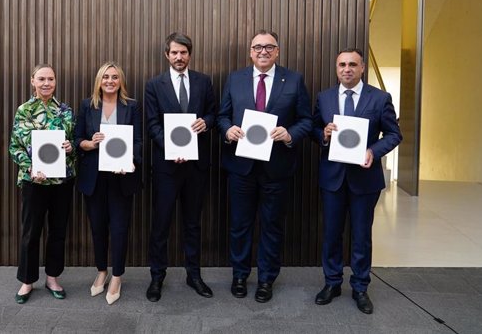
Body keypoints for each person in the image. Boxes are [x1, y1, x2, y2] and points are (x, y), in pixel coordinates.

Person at [217, 30, 312, 303]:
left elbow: (306, 119)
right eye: (257, 47)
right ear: (250, 51)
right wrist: (228, 130)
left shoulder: (293, 80)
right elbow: (223, 116)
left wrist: (290, 133)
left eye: (269, 47)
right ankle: (239, 274)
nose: (263, 52)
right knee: (240, 224)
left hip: (277, 168)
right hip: (241, 167)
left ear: (277, 51)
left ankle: (267, 279)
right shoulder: (235, 79)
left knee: (272, 225)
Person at [311, 48, 401, 314]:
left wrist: (373, 151)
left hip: (365, 179)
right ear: (336, 68)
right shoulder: (324, 97)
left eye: (352, 64)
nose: (347, 69)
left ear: (362, 68)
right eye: (342, 65)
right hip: (333, 178)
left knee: (361, 236)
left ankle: (361, 287)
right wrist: (324, 134)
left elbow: (394, 134)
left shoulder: (380, 98)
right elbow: (315, 128)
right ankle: (332, 282)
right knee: (331, 234)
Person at [144, 32, 217, 302]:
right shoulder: (154, 84)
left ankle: (194, 275)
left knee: (193, 224)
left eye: (183, 52)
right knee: (161, 224)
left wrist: (206, 123)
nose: (179, 57)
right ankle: (156, 277)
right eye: (174, 52)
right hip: (166, 167)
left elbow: (213, 112)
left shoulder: (203, 82)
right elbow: (152, 124)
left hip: (196, 167)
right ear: (167, 55)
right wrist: (171, 148)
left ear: (190, 54)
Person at [74, 61, 143, 305]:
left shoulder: (131, 106)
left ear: (120, 80)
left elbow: (137, 140)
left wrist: (132, 160)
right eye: (106, 77)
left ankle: (117, 275)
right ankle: (101, 270)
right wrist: (91, 143)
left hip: (121, 175)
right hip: (94, 176)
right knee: (98, 227)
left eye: (114, 77)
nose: (110, 81)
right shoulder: (87, 105)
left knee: (120, 228)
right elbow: (77, 140)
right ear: (99, 81)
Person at [9, 64, 76, 304]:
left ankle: (52, 278)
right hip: (33, 181)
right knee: (31, 232)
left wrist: (71, 147)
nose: (46, 83)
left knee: (58, 232)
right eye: (41, 79)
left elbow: (74, 146)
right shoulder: (24, 110)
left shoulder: (66, 111)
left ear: (55, 81)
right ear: (32, 81)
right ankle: (27, 281)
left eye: (50, 79)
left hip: (61, 182)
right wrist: (29, 167)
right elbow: (14, 147)